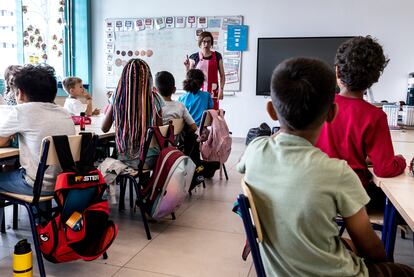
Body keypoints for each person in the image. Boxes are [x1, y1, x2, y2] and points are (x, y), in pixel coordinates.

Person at [237, 57, 414, 276]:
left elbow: (242, 167)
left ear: (272, 111)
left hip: (279, 267)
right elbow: (370, 248)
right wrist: (384, 263)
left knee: (345, 244)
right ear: (332, 113)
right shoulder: (338, 172)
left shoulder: (255, 150)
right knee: (405, 271)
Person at [316, 36, 406, 209]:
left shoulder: (319, 104)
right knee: (396, 203)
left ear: (337, 71)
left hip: (316, 195)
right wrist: (400, 161)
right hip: (352, 199)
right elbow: (385, 169)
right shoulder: (375, 116)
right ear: (374, 79)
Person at [0, 64, 75, 195]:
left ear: (21, 93)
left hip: (36, 185)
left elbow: (1, 141)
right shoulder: (64, 112)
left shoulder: (21, 111)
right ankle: (40, 215)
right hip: (64, 183)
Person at [101, 58, 163, 169]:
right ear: (148, 78)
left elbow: (104, 128)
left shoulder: (118, 97)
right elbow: (160, 131)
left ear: (124, 77)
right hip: (152, 158)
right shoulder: (155, 99)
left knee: (103, 166)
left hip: (126, 158)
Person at [184, 31, 225, 110]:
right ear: (200, 42)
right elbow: (189, 78)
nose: (206, 44)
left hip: (213, 92)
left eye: (209, 42)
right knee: (199, 114)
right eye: (204, 41)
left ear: (211, 43)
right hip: (198, 92)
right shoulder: (194, 57)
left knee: (213, 114)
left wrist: (221, 90)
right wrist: (187, 67)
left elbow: (222, 75)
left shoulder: (217, 56)